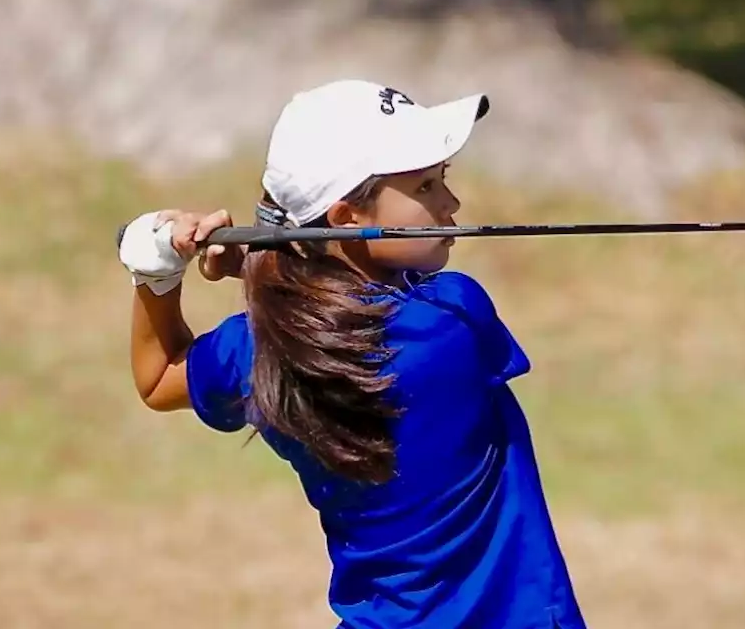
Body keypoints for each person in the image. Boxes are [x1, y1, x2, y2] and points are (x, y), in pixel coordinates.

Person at [116, 79, 586, 628]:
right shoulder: (452, 322)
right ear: (346, 218)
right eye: (426, 186)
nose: (452, 203)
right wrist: (254, 265)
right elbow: (378, 305)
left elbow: (158, 377)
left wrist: (155, 271)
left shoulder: (258, 345)